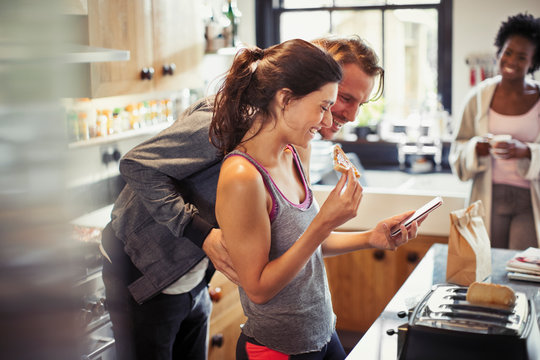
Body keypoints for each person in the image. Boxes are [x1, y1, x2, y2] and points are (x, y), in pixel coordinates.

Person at [100, 35, 386, 360]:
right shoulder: (227, 123)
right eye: (340, 98)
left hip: (191, 269)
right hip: (147, 266)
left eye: (358, 104)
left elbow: (298, 237)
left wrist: (369, 237)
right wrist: (201, 232)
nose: (348, 114)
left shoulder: (290, 146)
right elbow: (136, 164)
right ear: (292, 93)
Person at [210, 38, 419, 360]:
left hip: (321, 333)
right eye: (324, 106)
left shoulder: (294, 153)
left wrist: (370, 237)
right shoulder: (243, 176)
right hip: (278, 348)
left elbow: (303, 243)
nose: (328, 120)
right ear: (286, 100)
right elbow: (259, 289)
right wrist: (323, 222)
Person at [450, 13, 540, 250]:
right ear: (499, 52)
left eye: (522, 57)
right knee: (488, 267)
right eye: (508, 52)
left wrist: (527, 153)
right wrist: (475, 148)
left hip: (530, 202)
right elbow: (458, 148)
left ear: (533, 61)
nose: (512, 60)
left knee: (523, 270)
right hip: (488, 197)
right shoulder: (478, 98)